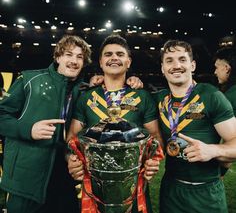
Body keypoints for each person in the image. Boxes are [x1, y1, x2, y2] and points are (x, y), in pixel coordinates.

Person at [0, 34, 142, 213]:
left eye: (79, 57)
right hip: (27, 178)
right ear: (58, 57)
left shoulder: (84, 91)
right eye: (68, 54)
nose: (74, 61)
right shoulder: (30, 80)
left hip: (65, 175)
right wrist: (29, 129)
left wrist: (133, 81)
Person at [67, 34, 164, 213]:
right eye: (108, 54)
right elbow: (71, 139)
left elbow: (156, 138)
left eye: (120, 54)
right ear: (101, 62)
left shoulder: (142, 97)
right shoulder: (87, 97)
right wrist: (71, 160)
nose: (114, 58)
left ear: (128, 61)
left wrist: (152, 161)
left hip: (132, 188)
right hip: (95, 188)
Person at [152, 40, 236, 213]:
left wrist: (213, 150)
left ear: (192, 65)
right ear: (162, 68)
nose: (176, 66)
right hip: (170, 191)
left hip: (206, 192)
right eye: (169, 61)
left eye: (182, 59)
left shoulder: (212, 95)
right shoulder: (159, 99)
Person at [214, 46, 236, 175]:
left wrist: (220, 174)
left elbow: (231, 141)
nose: (215, 72)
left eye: (217, 67)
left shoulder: (229, 97)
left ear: (227, 68)